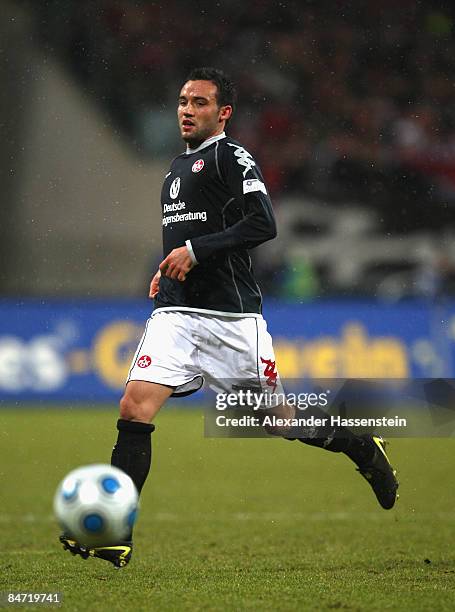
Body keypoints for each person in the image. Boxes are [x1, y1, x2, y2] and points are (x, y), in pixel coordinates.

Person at [60, 67, 399, 568]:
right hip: (176, 315)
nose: (185, 110)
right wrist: (170, 273)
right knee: (134, 408)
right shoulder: (175, 168)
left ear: (223, 113)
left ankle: (361, 447)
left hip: (231, 319)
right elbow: (183, 238)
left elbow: (264, 223)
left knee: (279, 423)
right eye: (181, 101)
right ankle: (114, 533)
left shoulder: (231, 156)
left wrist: (195, 252)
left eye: (198, 102)